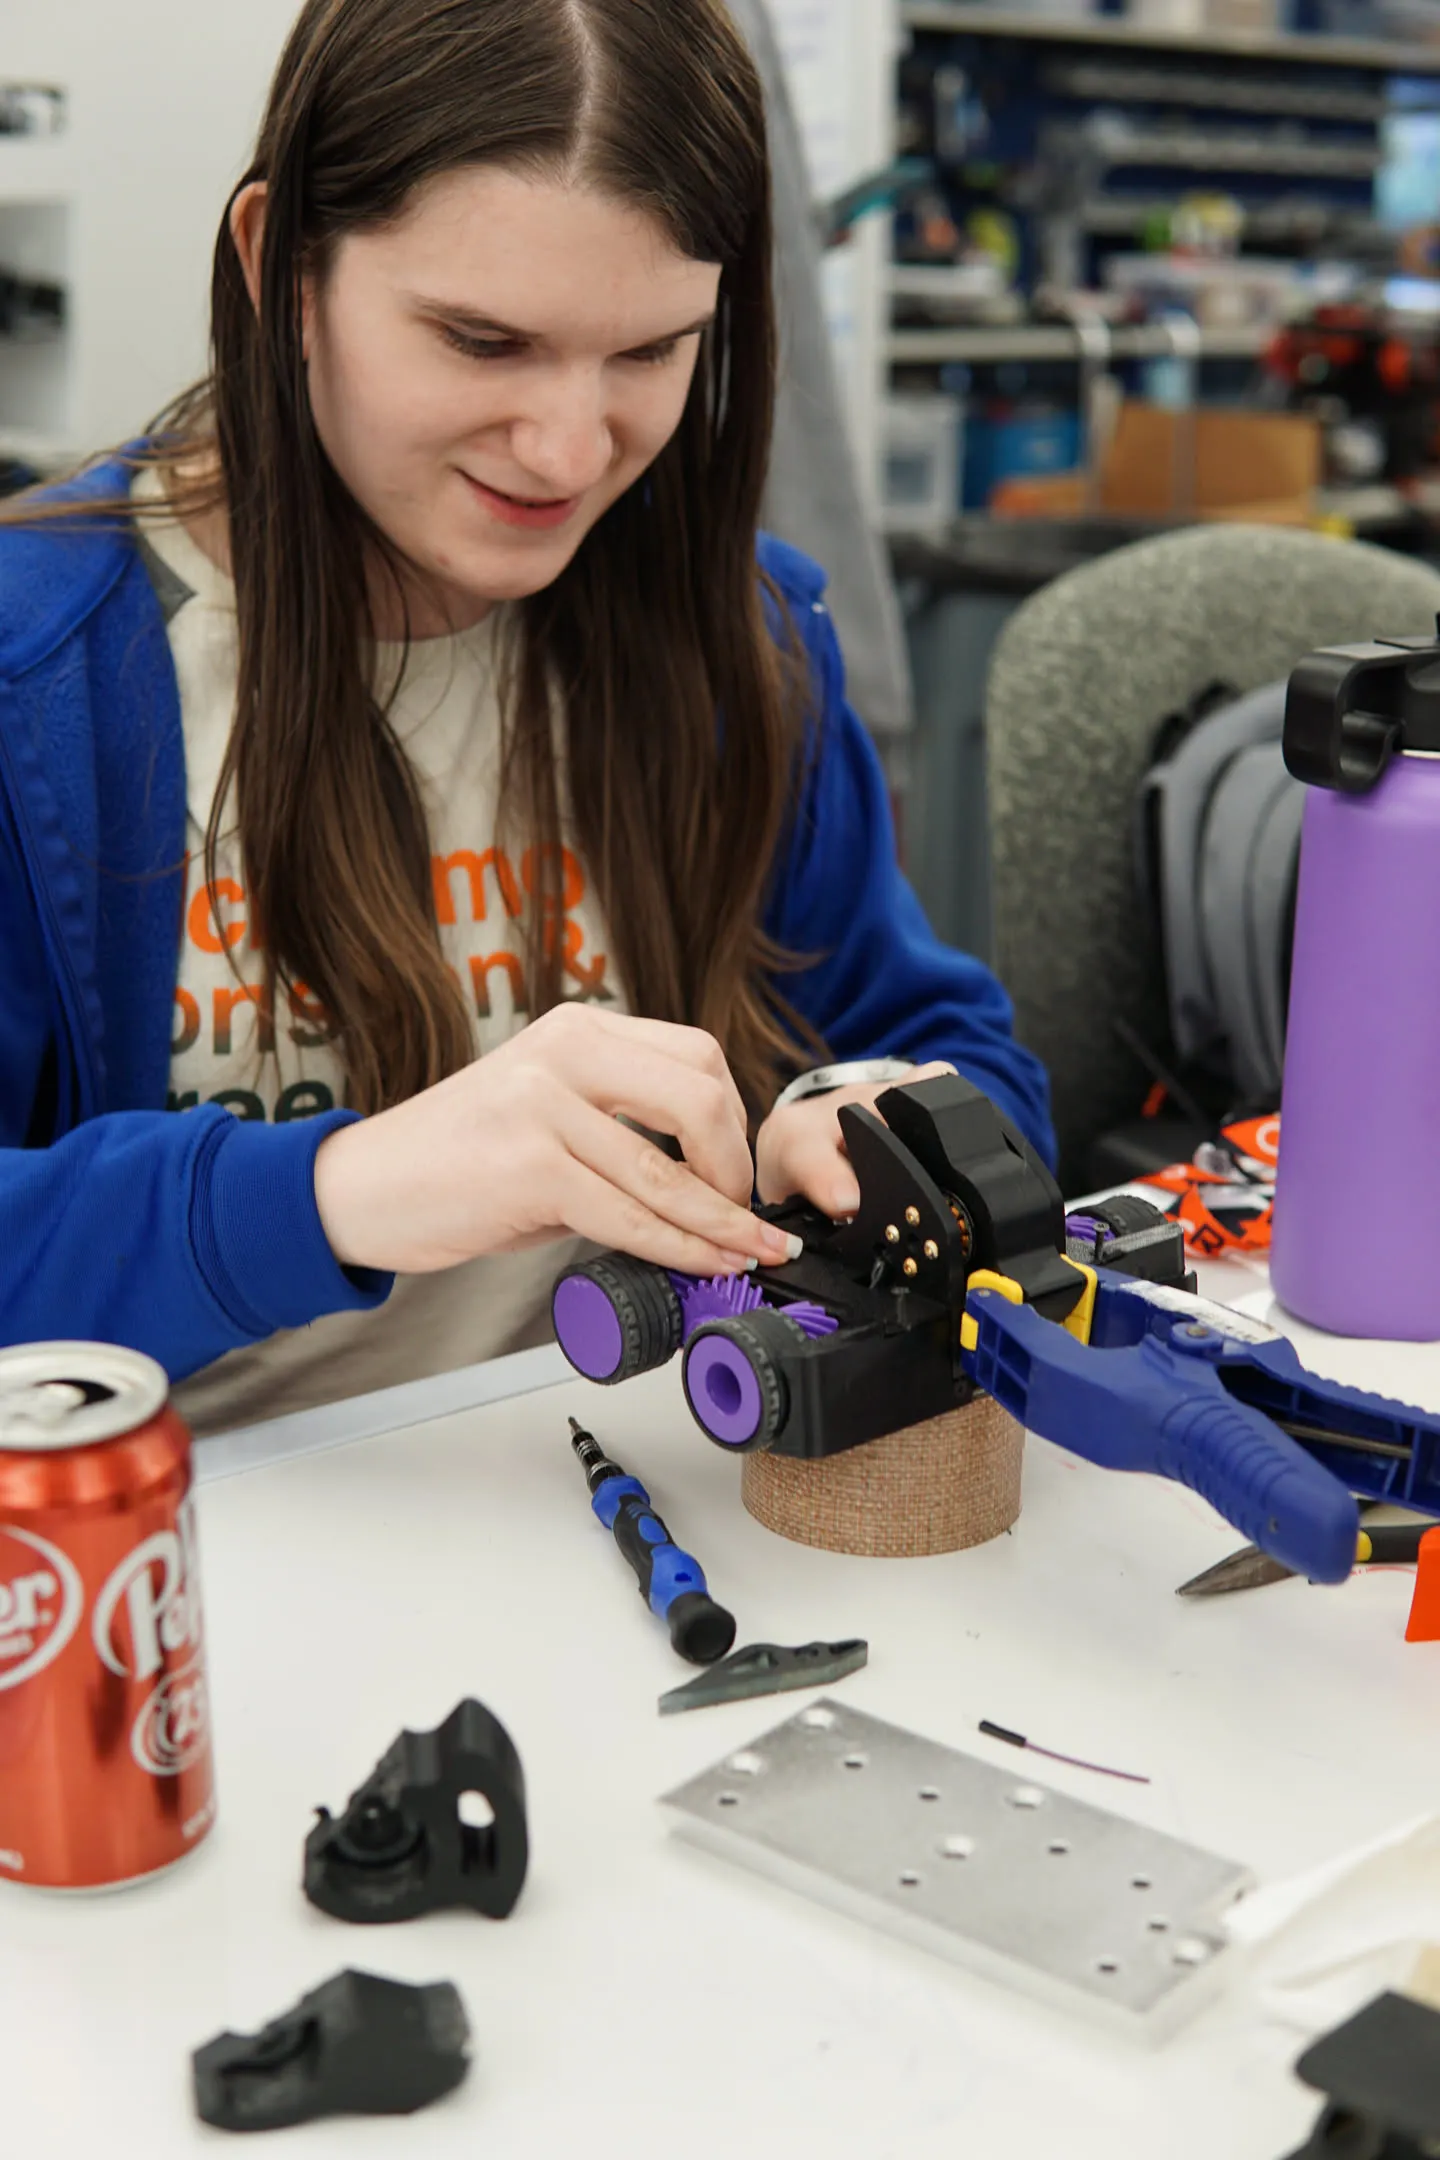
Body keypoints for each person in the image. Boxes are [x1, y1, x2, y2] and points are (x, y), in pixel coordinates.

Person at [0, 0, 1051, 1437]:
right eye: (483, 341)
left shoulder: (746, 640)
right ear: (277, 267)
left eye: (652, 354)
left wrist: (875, 1125)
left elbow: (947, 1042)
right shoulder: (34, 686)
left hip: (646, 1496)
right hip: (175, 1566)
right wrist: (340, 1193)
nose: (570, 452)